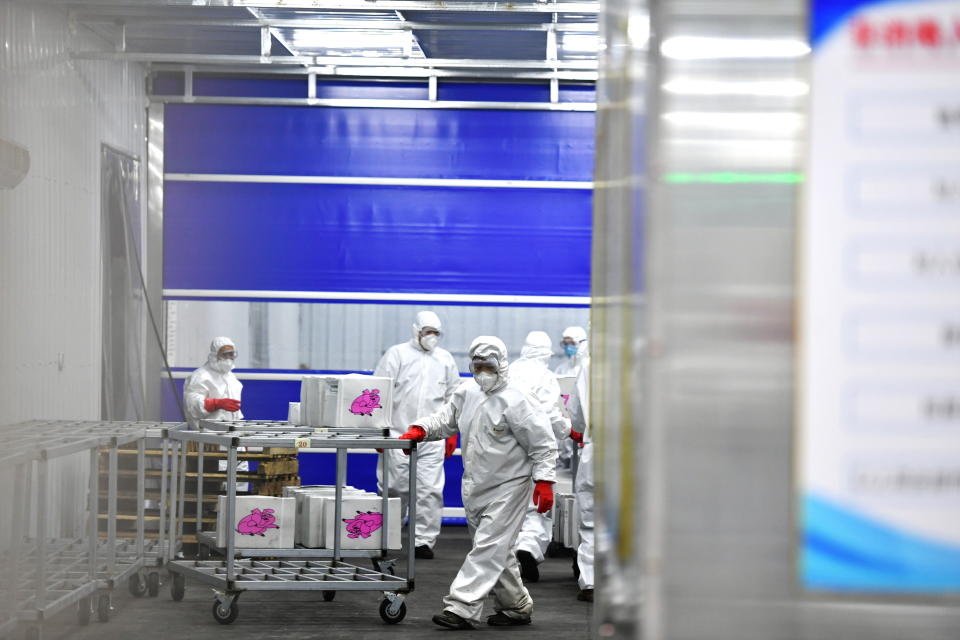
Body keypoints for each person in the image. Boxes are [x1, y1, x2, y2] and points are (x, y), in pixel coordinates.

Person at [397, 336, 558, 629]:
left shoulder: (518, 398)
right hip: (475, 486)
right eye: (478, 365)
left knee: (487, 547)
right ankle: (516, 605)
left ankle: (461, 607)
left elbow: (543, 444)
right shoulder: (467, 391)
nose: (484, 371)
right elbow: (445, 419)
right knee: (497, 551)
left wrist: (544, 480)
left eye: (490, 365)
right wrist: (420, 429)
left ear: (502, 364)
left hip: (510, 486)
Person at [374, 311, 461, 559]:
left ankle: (423, 541)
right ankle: (388, 537)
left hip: (432, 438)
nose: (431, 337)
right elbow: (379, 392)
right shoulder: (397, 355)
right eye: (427, 332)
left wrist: (452, 433)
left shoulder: (445, 360)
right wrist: (379, 430)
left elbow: (454, 398)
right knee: (394, 487)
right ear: (416, 331)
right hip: (398, 434)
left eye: (436, 333)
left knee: (429, 490)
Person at [509, 331, 570, 583]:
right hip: (538, 449)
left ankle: (509, 557)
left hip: (509, 450)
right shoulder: (546, 377)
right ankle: (529, 548)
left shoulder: (510, 371)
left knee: (510, 504)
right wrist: (567, 429)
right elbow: (549, 414)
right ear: (546, 352)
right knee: (538, 505)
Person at [183, 337, 243, 429]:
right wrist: (216, 404)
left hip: (229, 433)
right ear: (215, 355)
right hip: (208, 435)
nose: (228, 358)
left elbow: (235, 413)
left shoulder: (230, 377)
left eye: (231, 354)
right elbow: (192, 405)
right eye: (224, 355)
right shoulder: (200, 376)